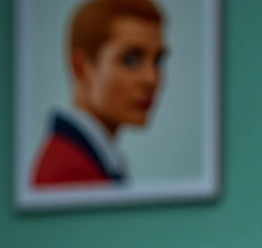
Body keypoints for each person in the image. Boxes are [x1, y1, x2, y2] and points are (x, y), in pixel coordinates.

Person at [31, 0, 166, 187]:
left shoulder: (90, 158)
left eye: (158, 60)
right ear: (81, 67)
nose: (151, 79)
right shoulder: (69, 173)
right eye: (130, 60)